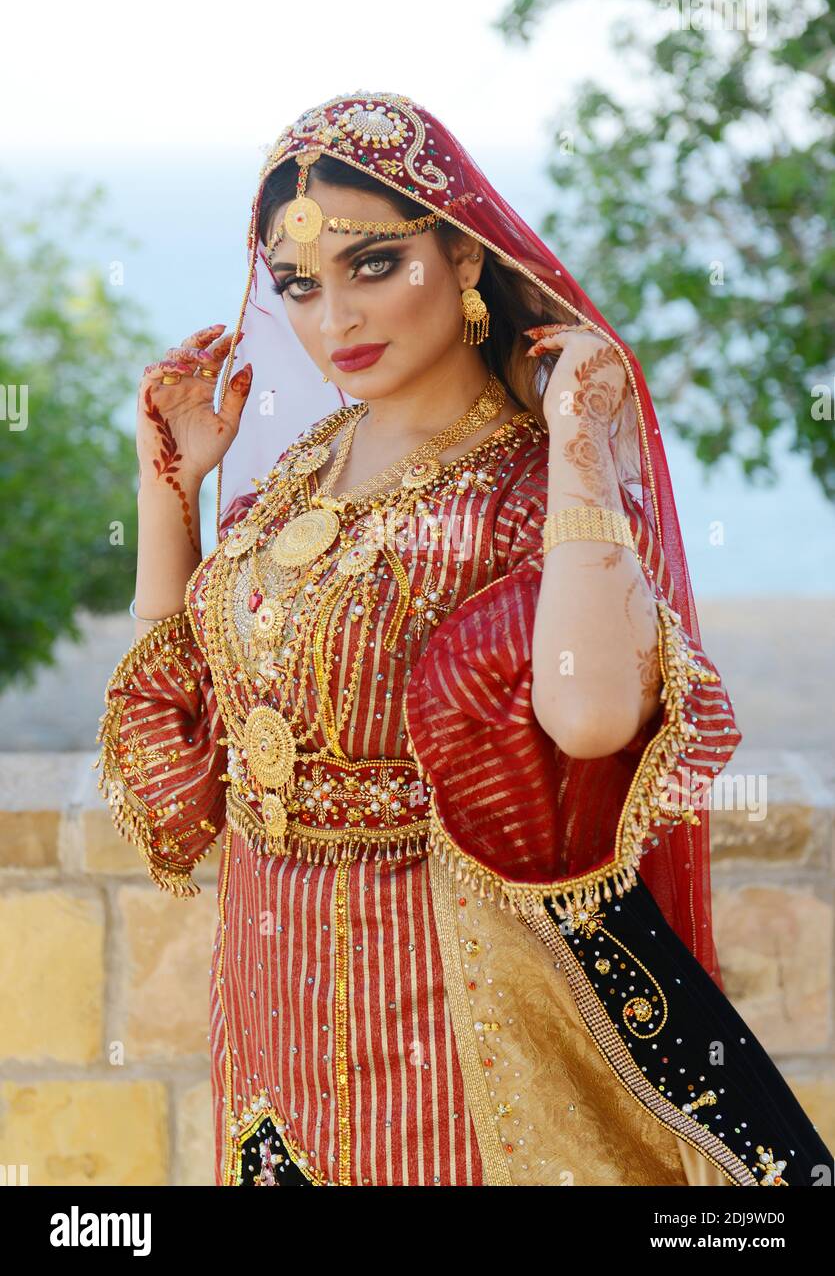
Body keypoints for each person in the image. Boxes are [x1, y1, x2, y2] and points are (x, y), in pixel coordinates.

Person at [95, 88, 832, 1188]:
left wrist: (581, 433)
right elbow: (183, 719)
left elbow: (587, 721)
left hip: (454, 1013)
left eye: (373, 265)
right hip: (269, 1013)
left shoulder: (531, 493)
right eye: (298, 285)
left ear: (463, 254)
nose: (333, 317)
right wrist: (170, 491)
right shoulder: (300, 470)